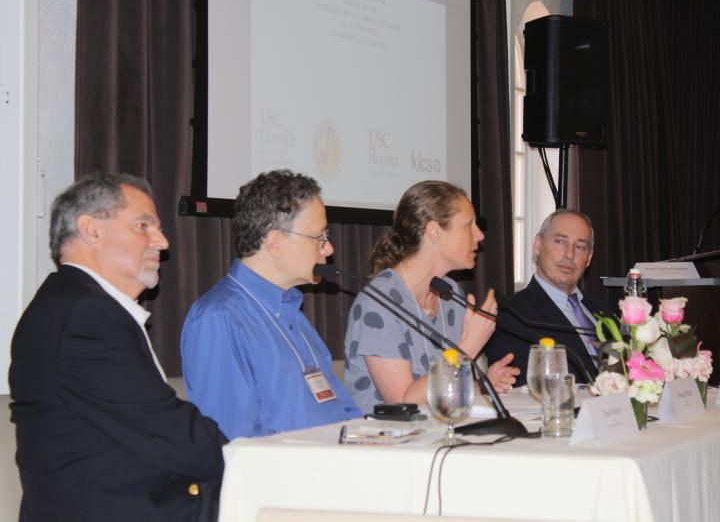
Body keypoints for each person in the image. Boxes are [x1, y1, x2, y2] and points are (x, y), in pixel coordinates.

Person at [9, 172, 227, 522]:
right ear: (91, 230)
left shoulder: (76, 305)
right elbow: (173, 436)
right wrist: (254, 462)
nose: (163, 241)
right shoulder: (84, 316)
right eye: (144, 226)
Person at [181, 170, 362, 439]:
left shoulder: (289, 309)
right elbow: (233, 439)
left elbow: (342, 410)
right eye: (319, 237)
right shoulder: (219, 318)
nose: (329, 249)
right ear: (275, 243)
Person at [344, 180, 519, 413]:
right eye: (469, 225)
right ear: (434, 232)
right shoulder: (378, 303)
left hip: (438, 436)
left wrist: (482, 386)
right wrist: (468, 346)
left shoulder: (450, 294)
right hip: (386, 442)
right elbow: (403, 403)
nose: (479, 235)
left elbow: (442, 392)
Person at [485, 208, 609, 385]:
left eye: (580, 247)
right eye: (560, 242)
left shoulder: (600, 308)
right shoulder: (512, 316)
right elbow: (526, 386)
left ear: (588, 258)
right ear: (538, 245)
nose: (569, 254)